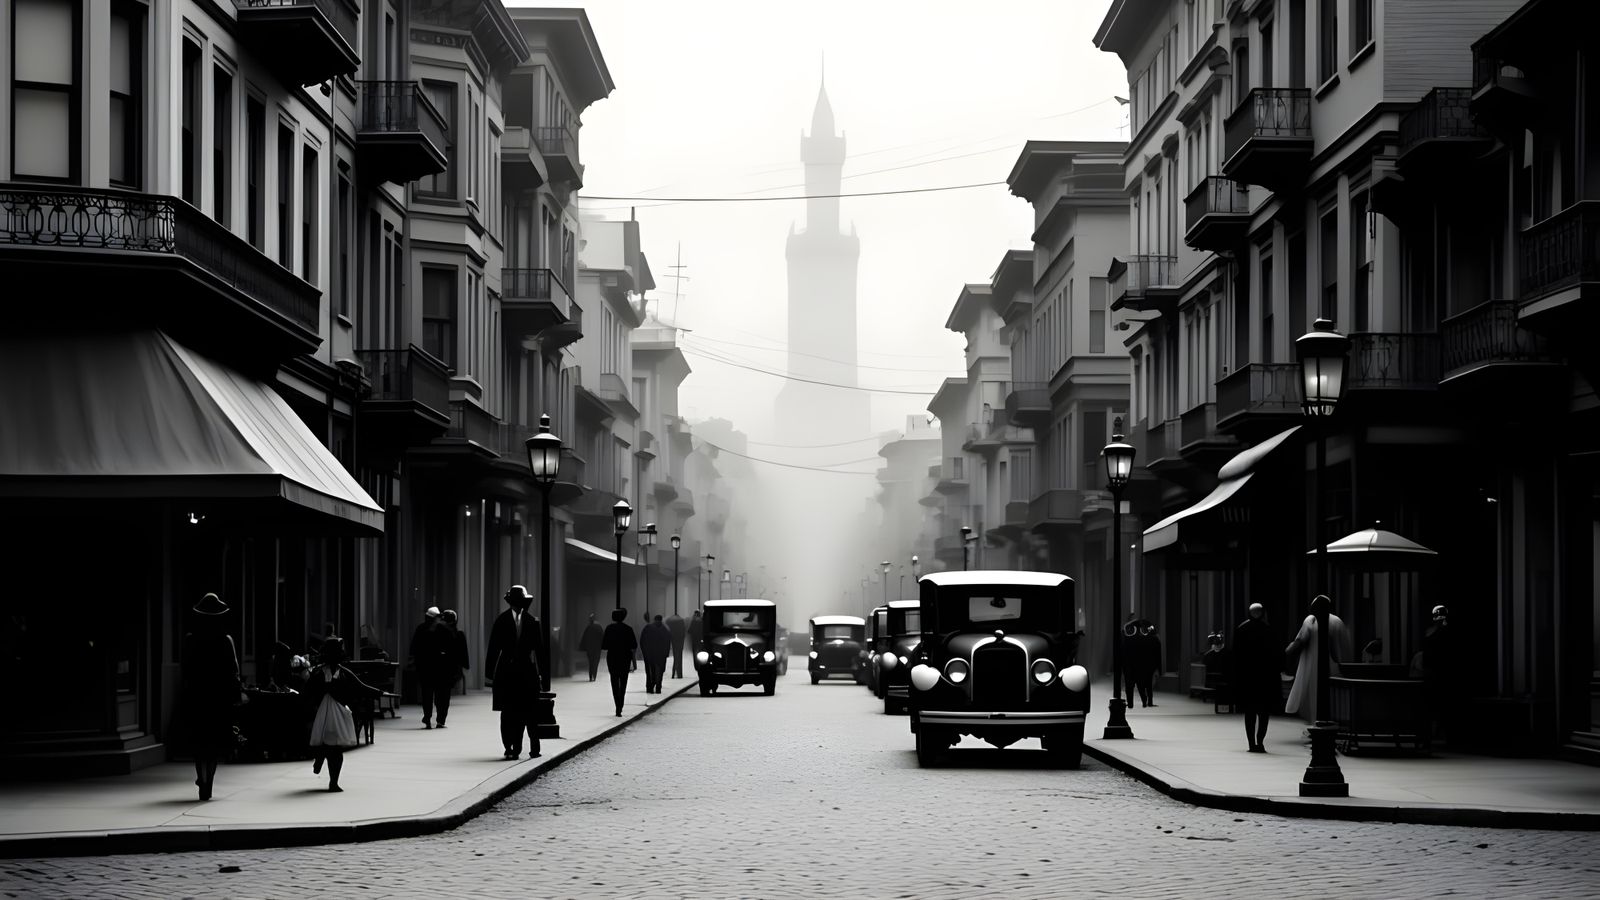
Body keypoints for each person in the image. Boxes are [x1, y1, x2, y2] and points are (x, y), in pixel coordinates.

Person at [180, 592, 241, 801]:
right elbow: (234, 670)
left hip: (198, 697)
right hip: (219, 699)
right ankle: (209, 782)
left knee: (199, 742)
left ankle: (201, 778)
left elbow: (185, 670)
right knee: (214, 743)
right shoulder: (226, 640)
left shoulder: (190, 640)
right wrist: (235, 693)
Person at [304, 637, 384, 792]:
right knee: (326, 743)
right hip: (321, 713)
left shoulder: (344, 673)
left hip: (339, 712)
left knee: (335, 749)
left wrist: (378, 692)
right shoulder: (319, 673)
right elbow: (308, 692)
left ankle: (333, 780)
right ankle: (321, 757)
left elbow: (361, 686)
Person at [485, 586, 543, 760]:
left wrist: (543, 674)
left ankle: (525, 746)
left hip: (526, 671)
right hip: (507, 671)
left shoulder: (532, 621)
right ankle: (510, 746)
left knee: (528, 710)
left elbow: (539, 649)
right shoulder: (501, 620)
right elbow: (494, 647)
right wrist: (489, 672)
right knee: (508, 712)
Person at [1284, 602, 1352, 722]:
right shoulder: (1337, 621)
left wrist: (1285, 653)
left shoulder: (1312, 620)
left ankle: (1317, 722)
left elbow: (1300, 639)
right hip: (1335, 666)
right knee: (1334, 697)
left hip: (1315, 665)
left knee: (1315, 696)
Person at [1233, 603, 1280, 753]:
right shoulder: (1268, 630)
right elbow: (1275, 656)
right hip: (1265, 677)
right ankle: (1260, 742)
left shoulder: (1241, 629)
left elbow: (1237, 656)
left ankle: (1251, 743)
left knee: (1250, 713)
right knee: (1264, 713)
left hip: (1248, 678)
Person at [1421, 605, 1457, 742]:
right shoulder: (1433, 631)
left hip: (1439, 672)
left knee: (1439, 703)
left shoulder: (1443, 631)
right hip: (1431, 671)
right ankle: (1434, 732)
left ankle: (1439, 732)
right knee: (1432, 703)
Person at [601, 608, 638, 716]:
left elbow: (604, 646)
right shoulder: (628, 629)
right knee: (623, 682)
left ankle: (617, 703)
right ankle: (620, 705)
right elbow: (634, 645)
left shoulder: (609, 628)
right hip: (625, 658)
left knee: (614, 681)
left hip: (612, 658)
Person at [439, 609, 470, 697]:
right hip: (448, 663)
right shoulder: (455, 634)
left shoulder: (457, 634)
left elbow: (462, 651)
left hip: (451, 663)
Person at [640, 614, 671, 694]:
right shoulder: (665, 629)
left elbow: (642, 641)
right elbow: (667, 643)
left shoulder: (648, 628)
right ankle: (658, 687)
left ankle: (650, 687)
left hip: (649, 654)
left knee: (649, 671)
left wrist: (644, 652)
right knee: (660, 671)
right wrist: (666, 654)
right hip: (661, 654)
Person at [1132, 622, 1161, 708]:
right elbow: (1158, 655)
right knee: (1149, 684)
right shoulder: (1156, 640)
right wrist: (1159, 668)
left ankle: (1144, 699)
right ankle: (1150, 701)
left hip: (1141, 665)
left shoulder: (1142, 639)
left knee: (1141, 683)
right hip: (1151, 665)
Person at [578, 613, 604, 682]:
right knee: (596, 662)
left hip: (590, 648)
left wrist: (583, 648)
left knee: (591, 662)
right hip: (597, 648)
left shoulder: (588, 628)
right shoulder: (599, 627)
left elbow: (584, 639)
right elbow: (602, 638)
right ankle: (594, 675)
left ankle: (590, 676)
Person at [666, 613, 687, 679]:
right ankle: (679, 673)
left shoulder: (669, 621)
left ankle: (673, 672)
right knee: (679, 657)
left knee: (676, 656)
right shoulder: (681, 621)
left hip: (673, 640)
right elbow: (684, 632)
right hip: (680, 641)